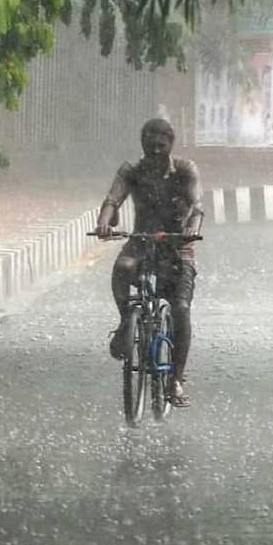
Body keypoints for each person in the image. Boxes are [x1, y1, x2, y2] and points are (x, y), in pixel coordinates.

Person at [94, 118, 204, 407]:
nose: (155, 151)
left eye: (160, 145)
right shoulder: (132, 171)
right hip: (141, 242)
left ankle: (176, 380)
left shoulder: (185, 170)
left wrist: (190, 230)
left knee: (180, 309)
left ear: (170, 144)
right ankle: (124, 324)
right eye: (149, 145)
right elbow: (112, 201)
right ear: (142, 145)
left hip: (177, 247)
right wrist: (104, 223)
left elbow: (196, 208)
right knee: (122, 268)